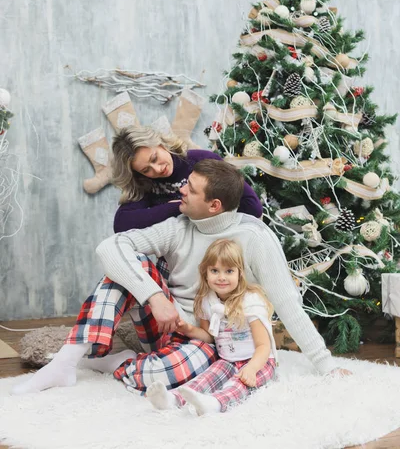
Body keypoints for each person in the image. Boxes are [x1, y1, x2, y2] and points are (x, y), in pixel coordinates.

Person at [12, 160, 349, 396]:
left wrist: (325, 365)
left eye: (191, 188)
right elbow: (109, 247)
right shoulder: (178, 226)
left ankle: (115, 361)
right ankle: (65, 362)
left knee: (158, 376)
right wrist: (154, 297)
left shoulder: (255, 238)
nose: (181, 190)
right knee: (127, 266)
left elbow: (288, 303)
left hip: (208, 339)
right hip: (165, 323)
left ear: (214, 205)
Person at [146, 239, 277, 415]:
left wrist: (252, 369)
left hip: (259, 362)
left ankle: (213, 404)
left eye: (229, 271)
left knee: (238, 385)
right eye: (215, 271)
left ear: (240, 274)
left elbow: (263, 345)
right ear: (205, 272)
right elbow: (210, 336)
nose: (221, 277)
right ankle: (173, 399)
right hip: (227, 359)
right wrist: (189, 330)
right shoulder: (207, 301)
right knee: (207, 377)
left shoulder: (250, 301)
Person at [111, 125, 263, 232]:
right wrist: (178, 207)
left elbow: (252, 206)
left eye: (155, 158)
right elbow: (122, 223)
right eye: (146, 169)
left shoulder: (202, 160)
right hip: (176, 255)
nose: (157, 169)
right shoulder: (146, 182)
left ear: (160, 144)